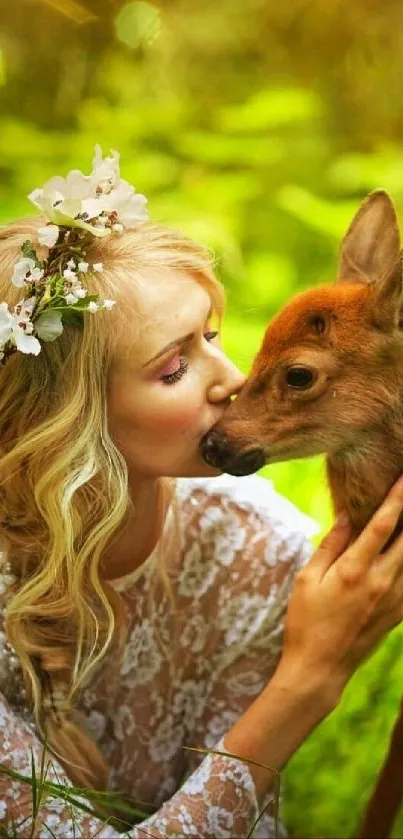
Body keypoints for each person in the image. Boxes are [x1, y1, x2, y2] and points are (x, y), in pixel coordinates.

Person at [0, 148, 403, 839]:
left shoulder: (258, 550)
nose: (232, 381)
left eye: (213, 336)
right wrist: (309, 678)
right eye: (174, 365)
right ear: (67, 418)